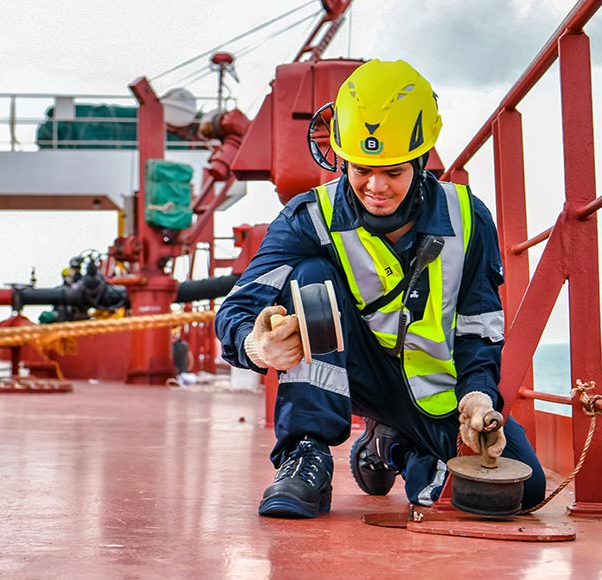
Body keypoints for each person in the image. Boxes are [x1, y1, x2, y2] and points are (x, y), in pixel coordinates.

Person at [215, 59, 545, 518]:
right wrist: (256, 345)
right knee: (311, 278)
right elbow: (236, 308)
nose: (376, 187)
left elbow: (479, 326)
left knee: (519, 491)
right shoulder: (309, 218)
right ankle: (305, 454)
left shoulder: (468, 218)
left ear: (420, 161)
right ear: (343, 160)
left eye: (393, 172)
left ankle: (390, 447)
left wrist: (478, 396)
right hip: (353, 372)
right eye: (362, 169)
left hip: (434, 391)